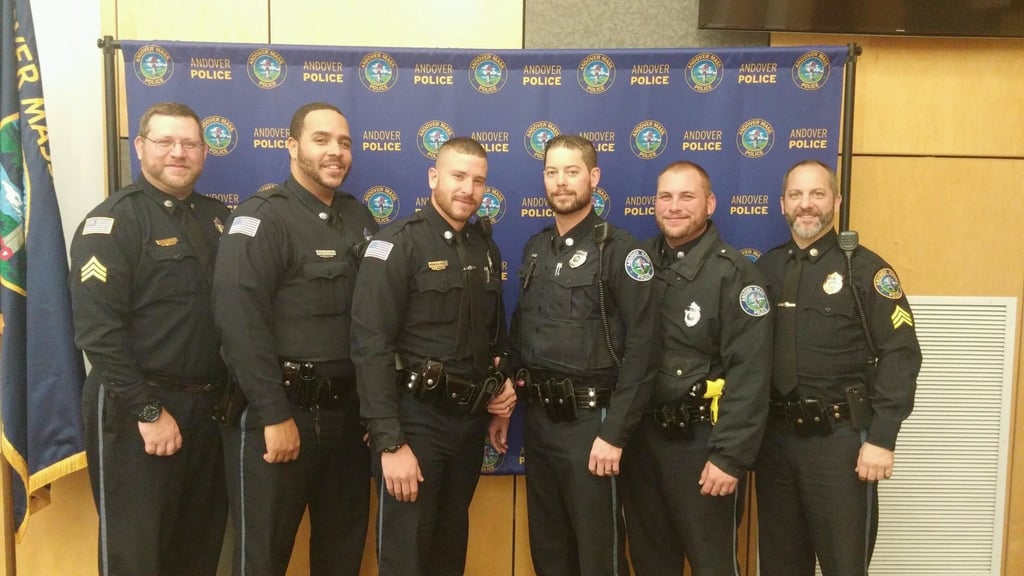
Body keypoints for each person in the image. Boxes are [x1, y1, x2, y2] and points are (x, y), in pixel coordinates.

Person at [213, 102, 377, 576]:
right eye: (322, 139)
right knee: (262, 559)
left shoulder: (359, 218)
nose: (336, 152)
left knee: (342, 556)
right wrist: (273, 413)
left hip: (346, 421)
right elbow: (238, 323)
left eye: (344, 143)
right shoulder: (263, 218)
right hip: (282, 416)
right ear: (293, 146)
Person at [69, 101, 229, 575]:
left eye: (190, 143)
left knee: (197, 551)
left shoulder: (218, 221)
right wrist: (147, 410)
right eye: (165, 142)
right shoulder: (113, 224)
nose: (178, 153)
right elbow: (97, 331)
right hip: (138, 408)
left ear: (204, 151)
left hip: (208, 412)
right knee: (136, 555)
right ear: (140, 147)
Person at [350, 137, 517, 576]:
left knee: (448, 552)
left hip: (467, 425)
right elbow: (370, 346)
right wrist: (389, 440)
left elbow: (494, 336)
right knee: (406, 555)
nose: (468, 189)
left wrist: (500, 396)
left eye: (478, 180)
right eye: (458, 176)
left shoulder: (485, 248)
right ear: (433, 177)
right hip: (414, 422)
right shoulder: (396, 245)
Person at [755, 160, 922, 576]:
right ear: (782, 204)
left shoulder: (866, 270)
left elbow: (901, 354)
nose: (806, 205)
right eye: (796, 195)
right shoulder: (764, 270)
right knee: (779, 566)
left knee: (844, 566)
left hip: (841, 444)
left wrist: (882, 437)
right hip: (775, 444)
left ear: (837, 201)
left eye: (817, 194)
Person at [506, 135, 656, 576]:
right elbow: (522, 330)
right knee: (549, 552)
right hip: (540, 425)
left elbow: (644, 352)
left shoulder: (622, 252)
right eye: (552, 172)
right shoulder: (536, 248)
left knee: (599, 557)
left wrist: (615, 435)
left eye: (571, 171)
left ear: (593, 177)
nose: (561, 182)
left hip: (593, 429)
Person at [621, 161, 772, 575]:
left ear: (710, 203)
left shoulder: (737, 277)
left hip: (702, 448)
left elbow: (751, 375)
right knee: (651, 563)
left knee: (713, 565)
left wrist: (730, 457)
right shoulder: (636, 263)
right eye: (665, 197)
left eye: (686, 197)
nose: (674, 207)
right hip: (642, 445)